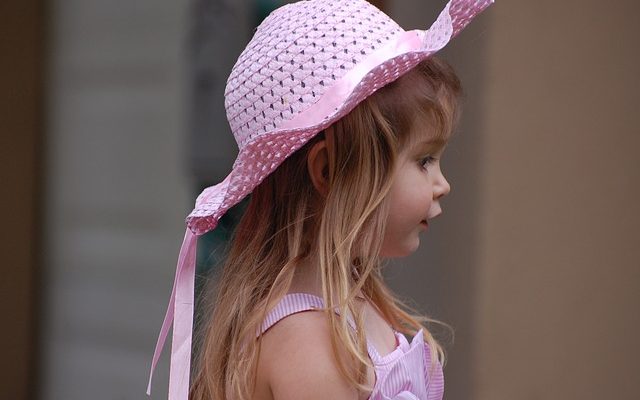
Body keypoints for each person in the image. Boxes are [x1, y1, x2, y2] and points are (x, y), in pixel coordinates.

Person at [147, 1, 494, 399]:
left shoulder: (352, 311)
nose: (442, 184)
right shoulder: (309, 345)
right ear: (327, 171)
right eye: (424, 160)